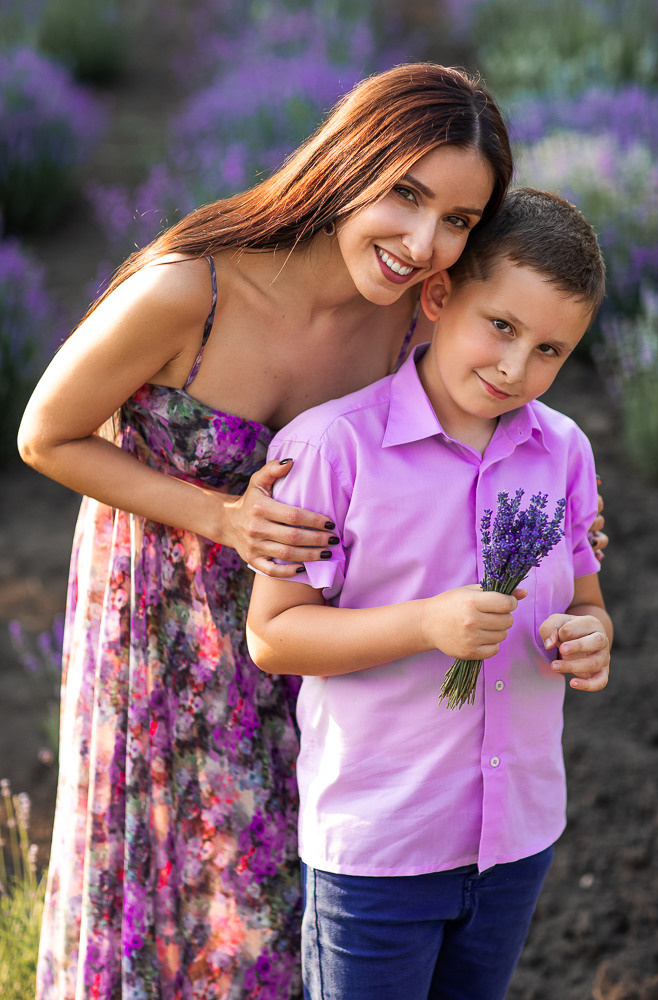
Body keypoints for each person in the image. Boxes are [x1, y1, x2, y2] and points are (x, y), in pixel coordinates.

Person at [16, 63, 522, 1000]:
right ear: (347, 162)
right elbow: (45, 435)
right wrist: (221, 515)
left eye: (457, 221)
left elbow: (468, 446)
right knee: (173, 886)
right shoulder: (191, 290)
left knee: (293, 897)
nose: (422, 244)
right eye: (405, 195)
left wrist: (557, 528)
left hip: (317, 624)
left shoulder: (413, 319)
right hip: (164, 630)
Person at [247, 188, 613, 1000]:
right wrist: (425, 623)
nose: (517, 369)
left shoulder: (562, 451)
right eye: (502, 327)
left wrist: (590, 637)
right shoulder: (333, 449)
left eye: (550, 350)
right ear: (441, 295)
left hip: (513, 839)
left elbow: (586, 600)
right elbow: (273, 637)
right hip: (380, 846)